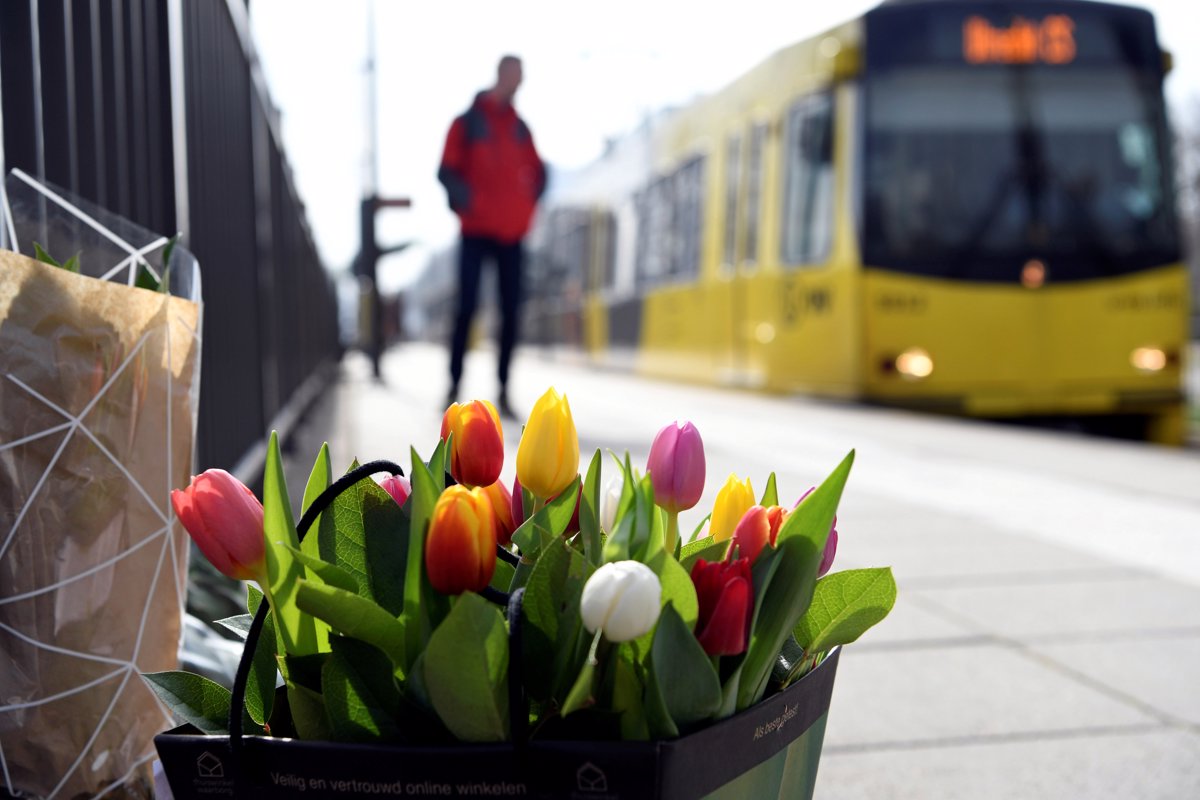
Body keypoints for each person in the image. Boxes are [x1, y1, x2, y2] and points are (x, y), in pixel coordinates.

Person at [438, 54, 546, 419]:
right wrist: (470, 204)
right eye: (516, 76)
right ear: (502, 74)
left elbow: (540, 173)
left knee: (511, 311)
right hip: (475, 231)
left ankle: (503, 389)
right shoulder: (467, 123)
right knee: (466, 308)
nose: (519, 83)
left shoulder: (521, 129)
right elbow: (446, 171)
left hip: (511, 235)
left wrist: (526, 210)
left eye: (523, 78)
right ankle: (452, 387)